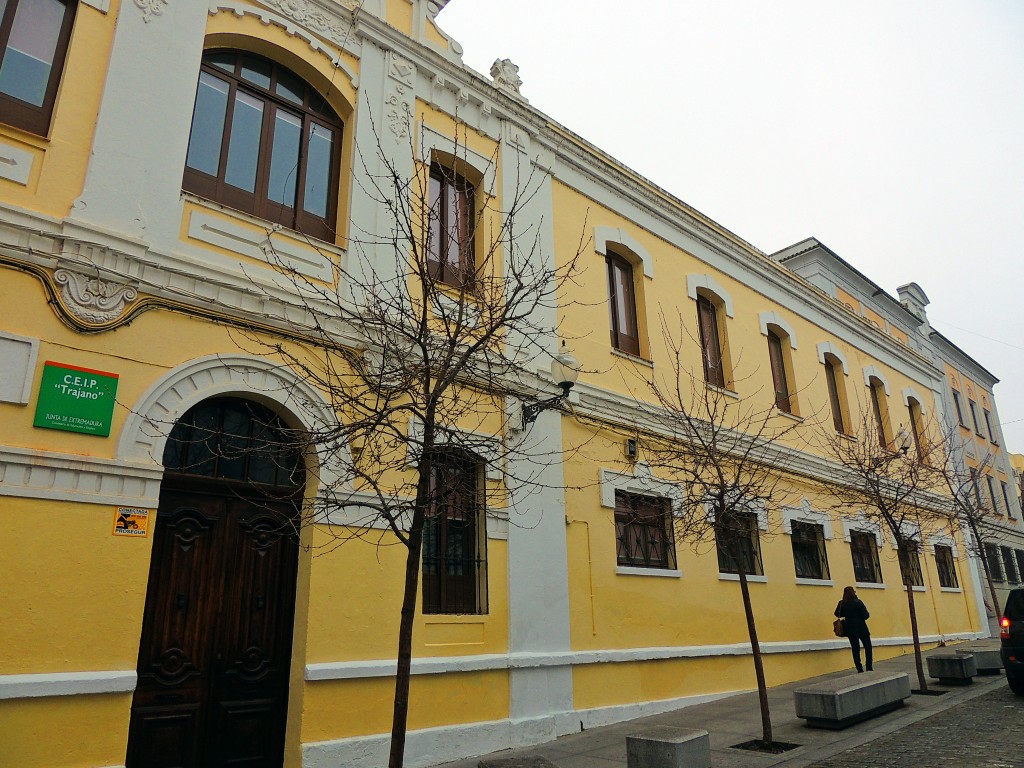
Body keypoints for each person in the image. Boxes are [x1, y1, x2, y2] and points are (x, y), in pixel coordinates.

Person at [835, 586, 872, 672]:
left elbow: (837, 614)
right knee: (868, 647)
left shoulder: (842, 603)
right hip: (861, 627)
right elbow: (866, 615)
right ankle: (869, 667)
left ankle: (859, 668)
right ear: (853, 592)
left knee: (855, 648)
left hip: (850, 629)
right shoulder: (858, 602)